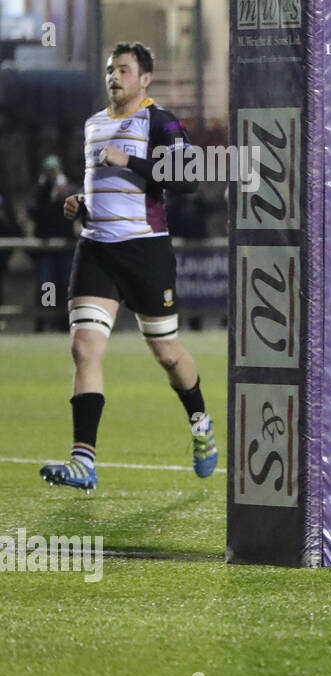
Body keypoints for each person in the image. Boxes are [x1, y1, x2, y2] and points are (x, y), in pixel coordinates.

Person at [39, 41, 217, 492]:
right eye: (109, 70)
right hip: (97, 248)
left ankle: (199, 421)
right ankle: (84, 460)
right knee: (83, 347)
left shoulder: (162, 120)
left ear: (145, 79)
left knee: (168, 354)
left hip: (145, 252)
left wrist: (131, 160)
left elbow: (188, 181)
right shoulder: (94, 124)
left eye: (123, 70)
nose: (114, 77)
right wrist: (81, 203)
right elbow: (102, 185)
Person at [28, 154, 77, 332]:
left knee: (66, 284)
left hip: (65, 246)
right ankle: (43, 321)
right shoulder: (39, 190)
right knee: (47, 285)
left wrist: (63, 197)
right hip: (46, 247)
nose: (51, 174)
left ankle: (64, 322)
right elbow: (33, 212)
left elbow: (76, 213)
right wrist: (50, 199)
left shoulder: (70, 188)